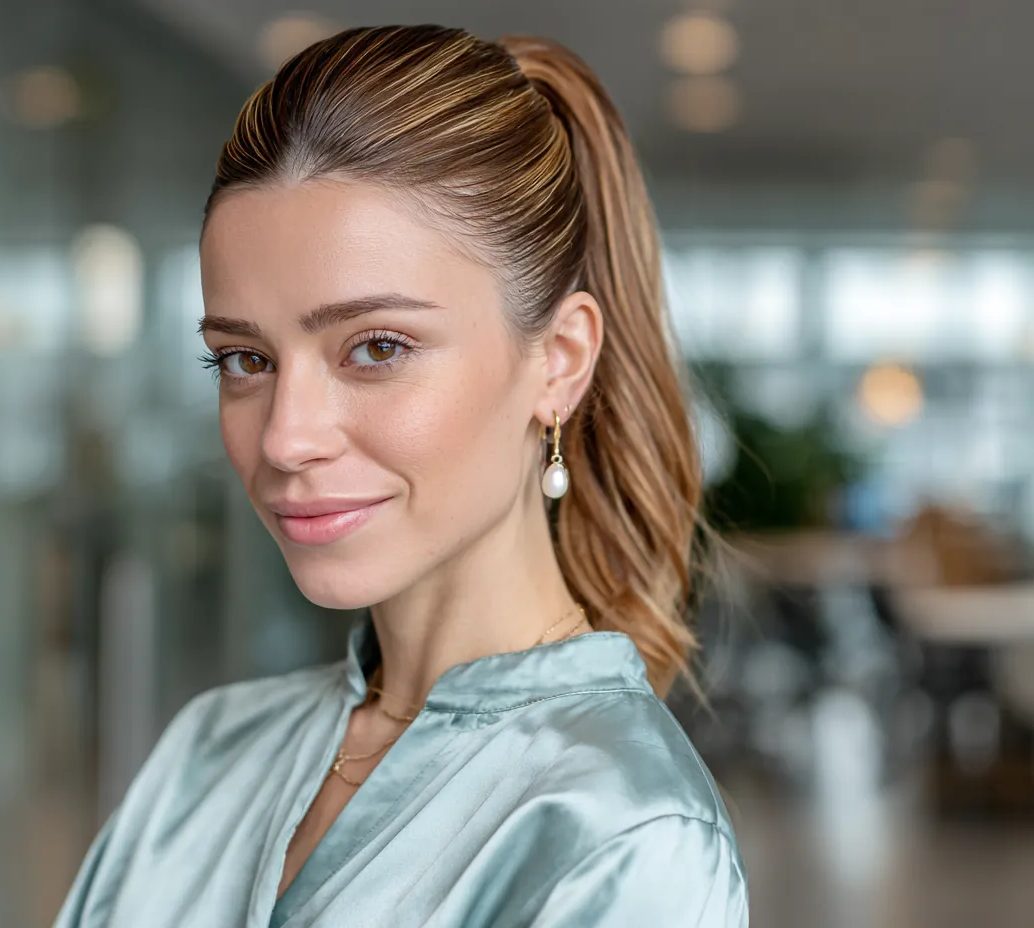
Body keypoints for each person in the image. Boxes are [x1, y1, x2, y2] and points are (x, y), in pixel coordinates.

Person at [54, 23, 748, 928]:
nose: (286, 440)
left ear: (559, 361)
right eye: (244, 361)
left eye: (376, 348)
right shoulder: (209, 752)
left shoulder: (624, 833)